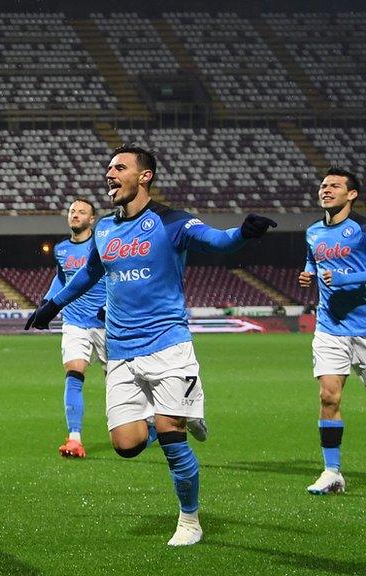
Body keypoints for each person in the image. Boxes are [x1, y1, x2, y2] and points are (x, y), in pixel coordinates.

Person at [25, 145, 275, 546]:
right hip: (121, 351)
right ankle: (178, 415)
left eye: (119, 167)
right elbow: (89, 273)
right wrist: (51, 305)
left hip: (166, 345)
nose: (110, 173)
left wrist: (243, 233)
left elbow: (217, 240)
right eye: (108, 167)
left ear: (144, 177)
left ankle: (190, 521)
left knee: (171, 438)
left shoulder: (171, 221)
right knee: (126, 445)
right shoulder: (104, 228)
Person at [297, 167, 364, 495]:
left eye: (335, 186)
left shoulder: (362, 229)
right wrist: (308, 274)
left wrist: (344, 279)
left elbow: (346, 274)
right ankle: (332, 471)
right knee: (328, 396)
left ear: (351, 194)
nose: (326, 190)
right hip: (330, 327)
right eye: (324, 185)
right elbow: (314, 261)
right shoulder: (313, 232)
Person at [41, 199, 108, 459]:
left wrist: (110, 306)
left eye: (82, 212)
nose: (76, 215)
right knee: (74, 372)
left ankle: (145, 423)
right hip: (74, 322)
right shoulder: (61, 248)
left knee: (117, 380)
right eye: (72, 211)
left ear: (92, 220)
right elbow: (61, 278)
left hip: (106, 324)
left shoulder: (101, 245)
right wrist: (46, 304)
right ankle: (74, 438)